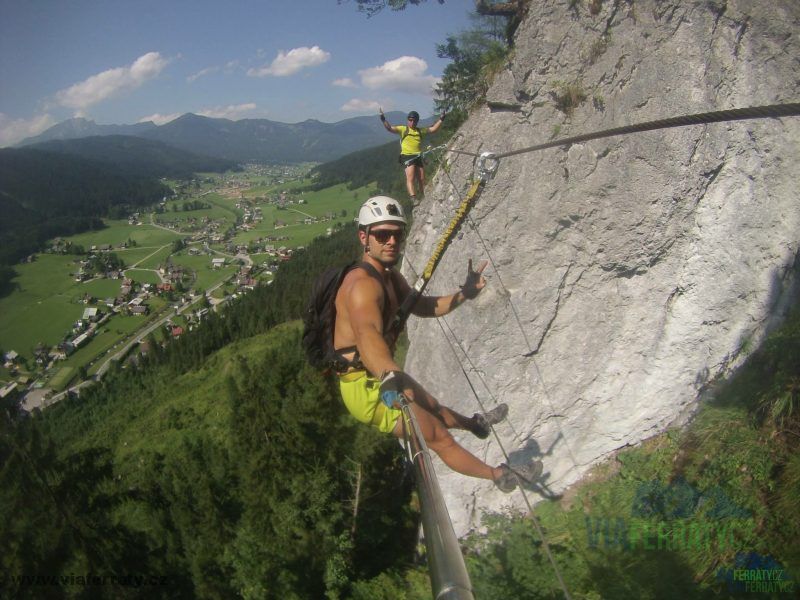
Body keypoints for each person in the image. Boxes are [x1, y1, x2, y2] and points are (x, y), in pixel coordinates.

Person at [333, 196, 543, 492]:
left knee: (435, 408)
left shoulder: (389, 277)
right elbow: (367, 334)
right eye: (382, 234)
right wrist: (388, 375)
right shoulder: (362, 286)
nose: (392, 241)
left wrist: (465, 294)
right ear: (364, 237)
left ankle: (476, 425)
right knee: (439, 437)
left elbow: (425, 306)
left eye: (397, 233)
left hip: (381, 373)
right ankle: (502, 477)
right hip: (366, 388)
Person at [380, 108, 444, 203]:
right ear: (408, 120)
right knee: (411, 177)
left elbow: (433, 129)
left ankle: (423, 196)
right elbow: (389, 128)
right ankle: (413, 198)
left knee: (422, 179)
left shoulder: (420, 131)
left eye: (414, 120)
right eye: (410, 120)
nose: (412, 122)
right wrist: (383, 120)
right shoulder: (403, 129)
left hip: (418, 156)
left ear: (417, 121)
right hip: (407, 156)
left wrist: (441, 119)